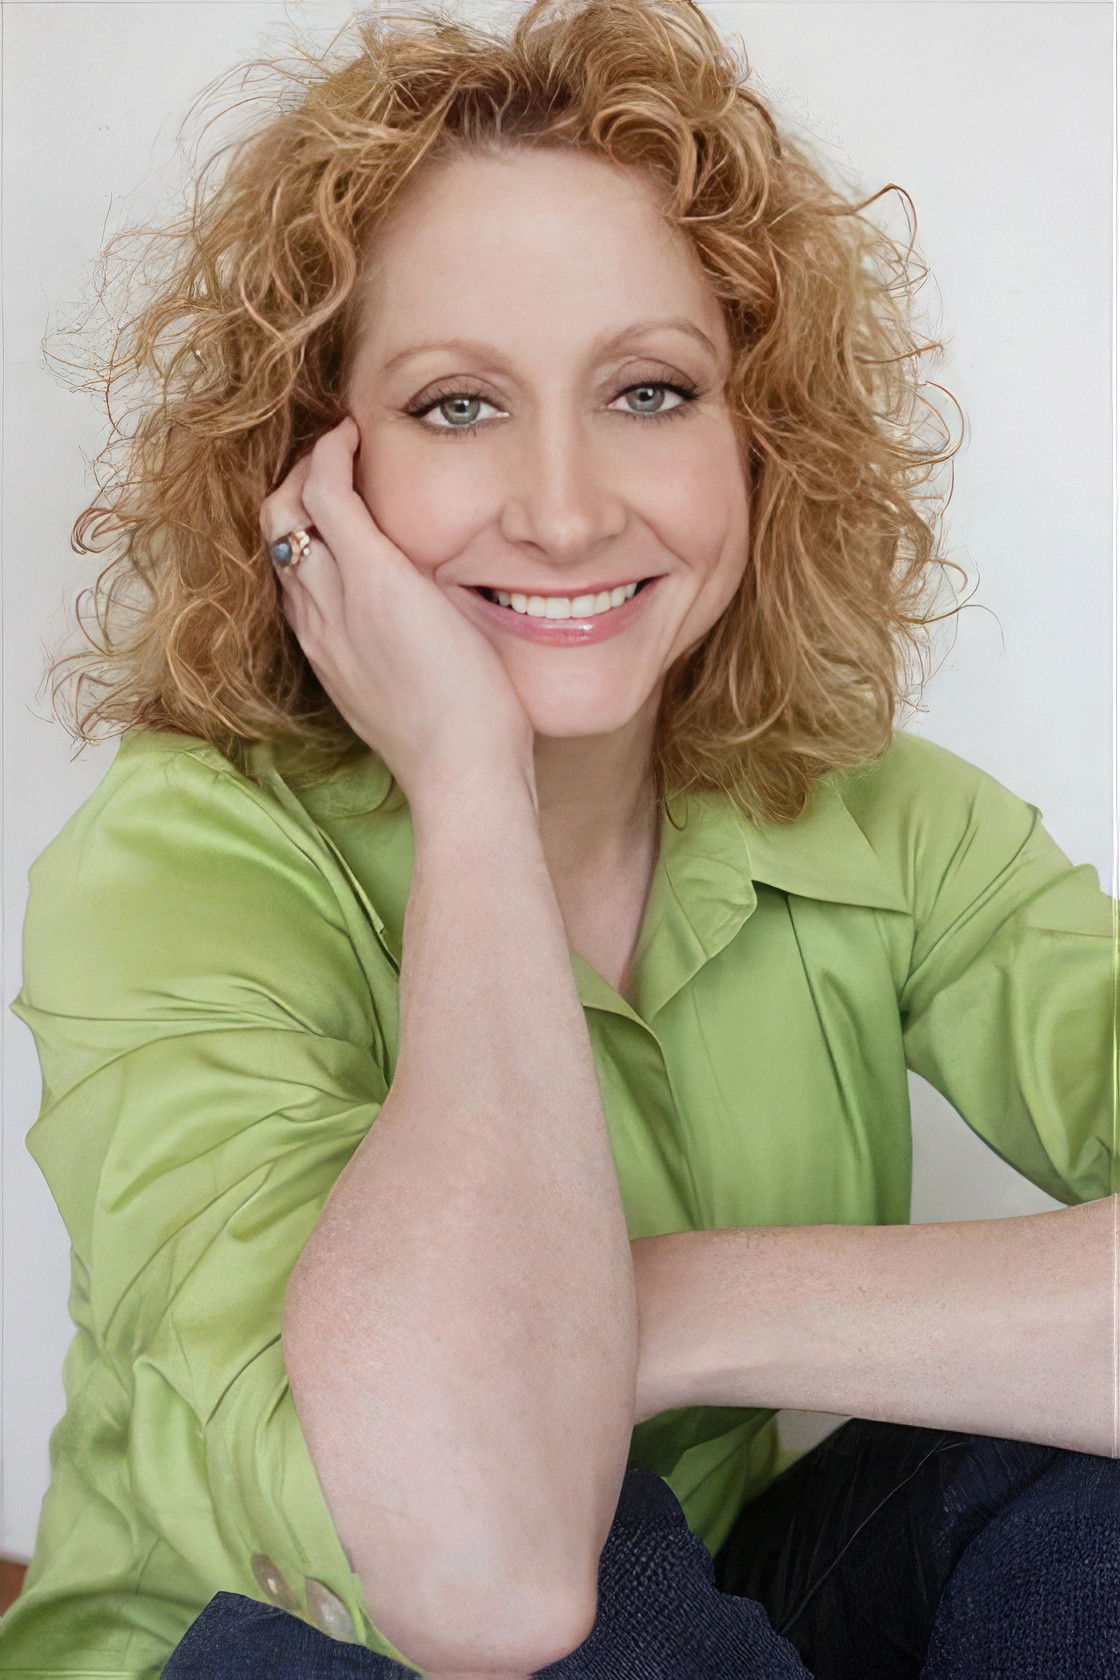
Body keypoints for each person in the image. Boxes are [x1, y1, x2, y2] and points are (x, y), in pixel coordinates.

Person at [1, 0, 1116, 1675]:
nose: (571, 509)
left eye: (650, 390)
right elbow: (484, 1568)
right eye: (457, 406)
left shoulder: (886, 818)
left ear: (761, 439)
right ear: (310, 474)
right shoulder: (172, 866)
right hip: (284, 1636)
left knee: (1078, 1501)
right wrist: (470, 788)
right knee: (565, 1546)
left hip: (719, 1608)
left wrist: (669, 1306)